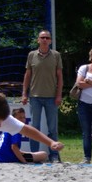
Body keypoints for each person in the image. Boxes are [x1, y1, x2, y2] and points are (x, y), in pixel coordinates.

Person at [21, 30, 63, 162]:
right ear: (38, 40)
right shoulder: (31, 55)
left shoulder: (56, 55)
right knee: (35, 127)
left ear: (50, 41)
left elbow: (60, 77)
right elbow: (27, 75)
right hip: (35, 96)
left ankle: (54, 155)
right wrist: (24, 93)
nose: (45, 40)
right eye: (42, 37)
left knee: (52, 129)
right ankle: (35, 155)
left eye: (47, 38)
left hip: (51, 97)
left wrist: (59, 95)